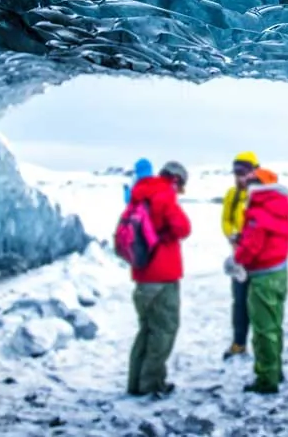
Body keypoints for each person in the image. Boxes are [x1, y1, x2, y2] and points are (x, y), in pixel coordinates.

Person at [127, 160, 191, 398]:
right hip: (162, 275)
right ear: (175, 179)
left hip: (142, 274)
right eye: (181, 186)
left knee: (146, 330)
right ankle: (151, 384)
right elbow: (183, 228)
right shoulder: (164, 194)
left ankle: (135, 383)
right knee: (163, 330)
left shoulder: (140, 193)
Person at [233, 166, 288, 395]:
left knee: (263, 330)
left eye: (250, 182)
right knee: (274, 325)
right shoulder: (279, 210)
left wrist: (237, 259)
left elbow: (251, 247)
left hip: (263, 277)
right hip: (279, 273)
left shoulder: (258, 213)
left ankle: (266, 380)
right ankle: (274, 369)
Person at [221, 150, 260, 360]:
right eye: (236, 173)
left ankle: (262, 344)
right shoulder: (232, 195)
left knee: (260, 302)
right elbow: (226, 219)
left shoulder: (262, 194)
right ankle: (239, 342)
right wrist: (232, 236)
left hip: (260, 260)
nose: (239, 177)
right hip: (239, 259)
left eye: (243, 173)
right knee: (239, 301)